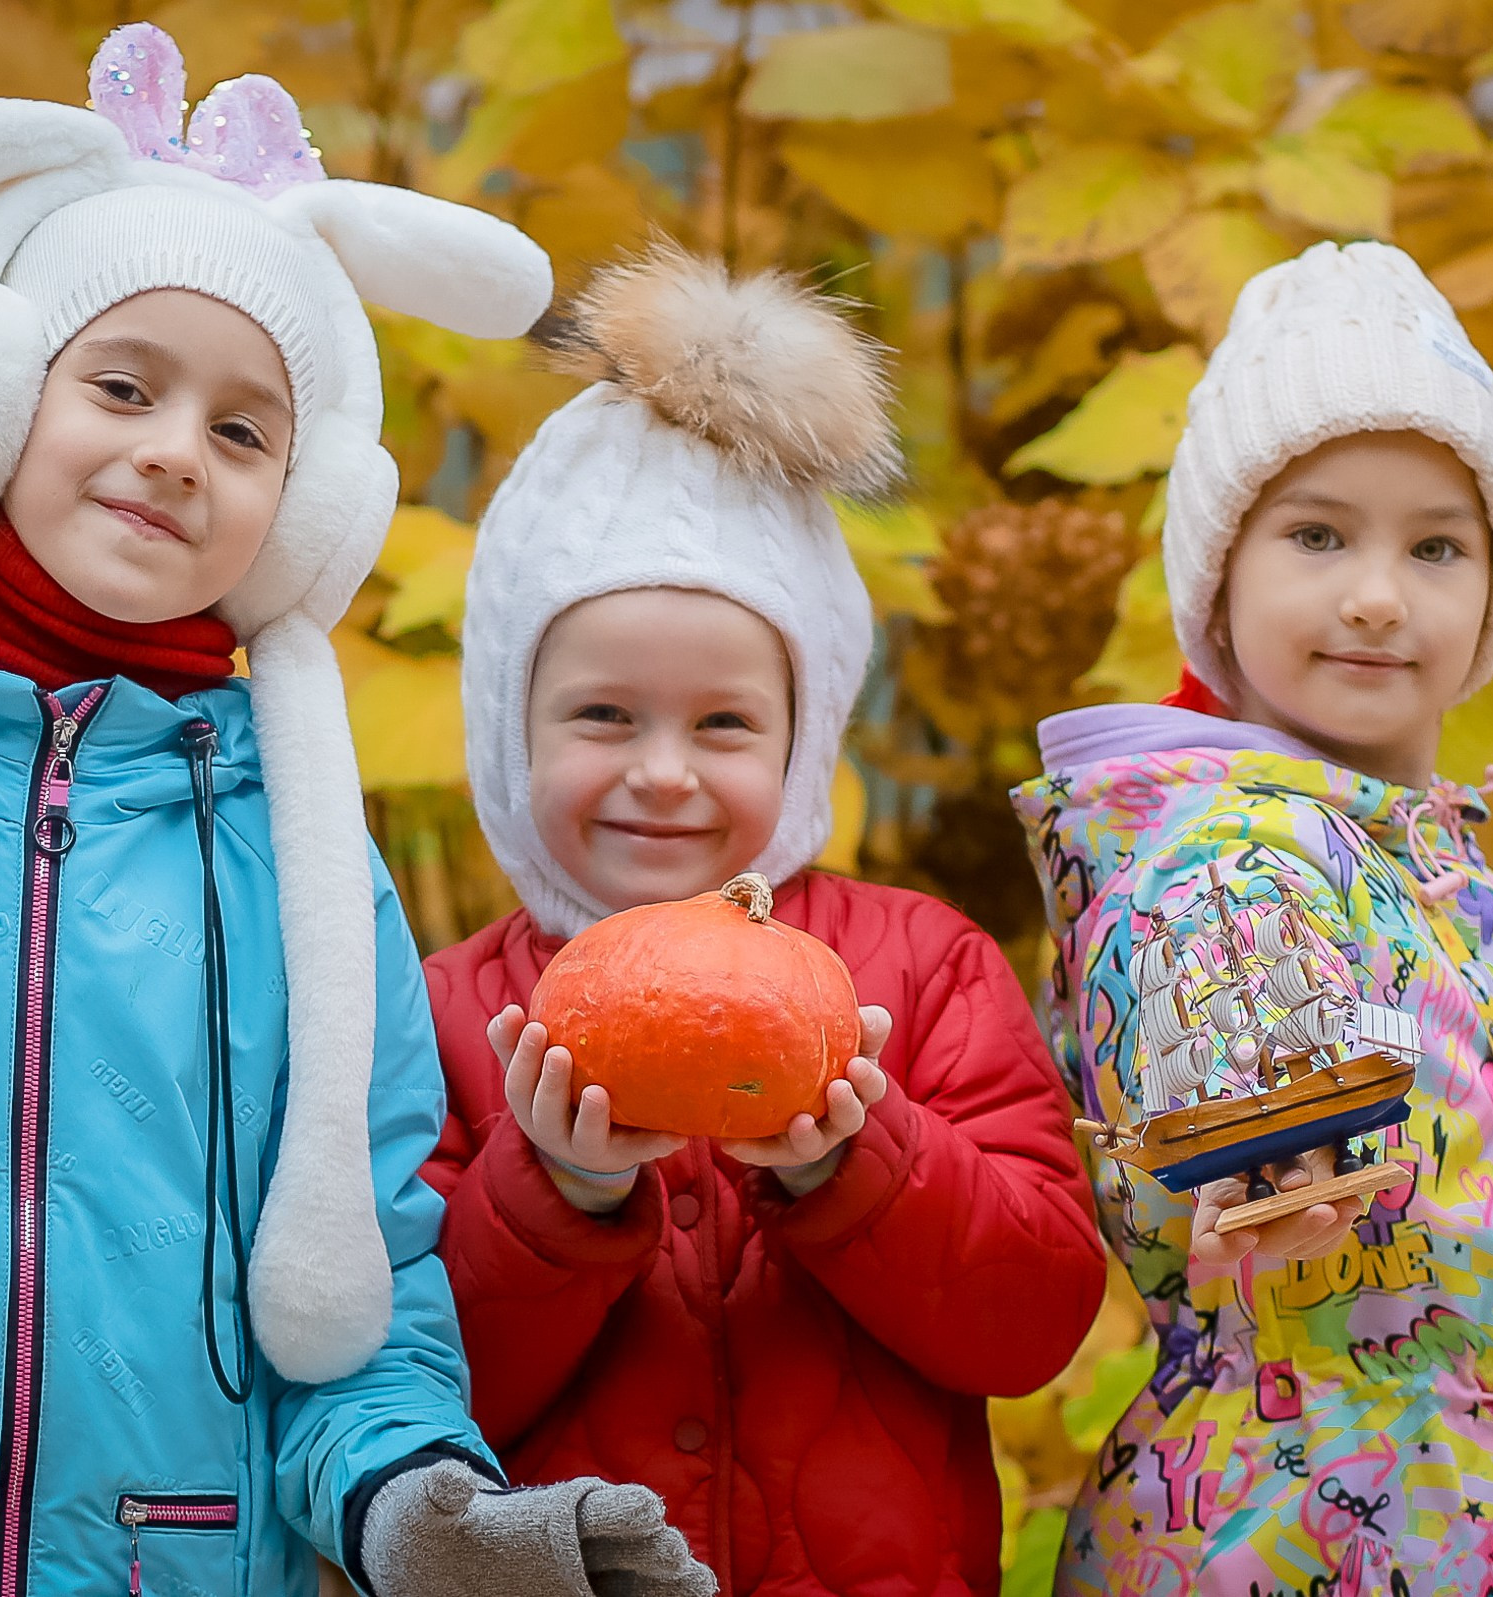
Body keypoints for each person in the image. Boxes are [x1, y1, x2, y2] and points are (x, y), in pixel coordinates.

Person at [0, 27, 707, 1597]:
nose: (174, 453)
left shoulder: (306, 872)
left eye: (243, 429)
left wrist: (415, 1506)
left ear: (303, 509)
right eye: (120, 383)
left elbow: (348, 1299)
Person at [419, 246, 1108, 1595]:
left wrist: (857, 1158)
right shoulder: (450, 1013)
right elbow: (419, 1399)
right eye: (603, 714)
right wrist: (552, 1189)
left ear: (804, 738)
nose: (664, 769)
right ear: (510, 733)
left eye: (725, 721)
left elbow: (1034, 1320)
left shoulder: (922, 971)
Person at [1015, 242, 1493, 1597]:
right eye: (1318, 533)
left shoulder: (1419, 854)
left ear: (1492, 598)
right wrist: (1243, 1189)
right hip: (1294, 1526)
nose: (1375, 593)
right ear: (1217, 582)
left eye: (1437, 545)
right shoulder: (1227, 852)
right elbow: (1231, 1131)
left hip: (1462, 1501)